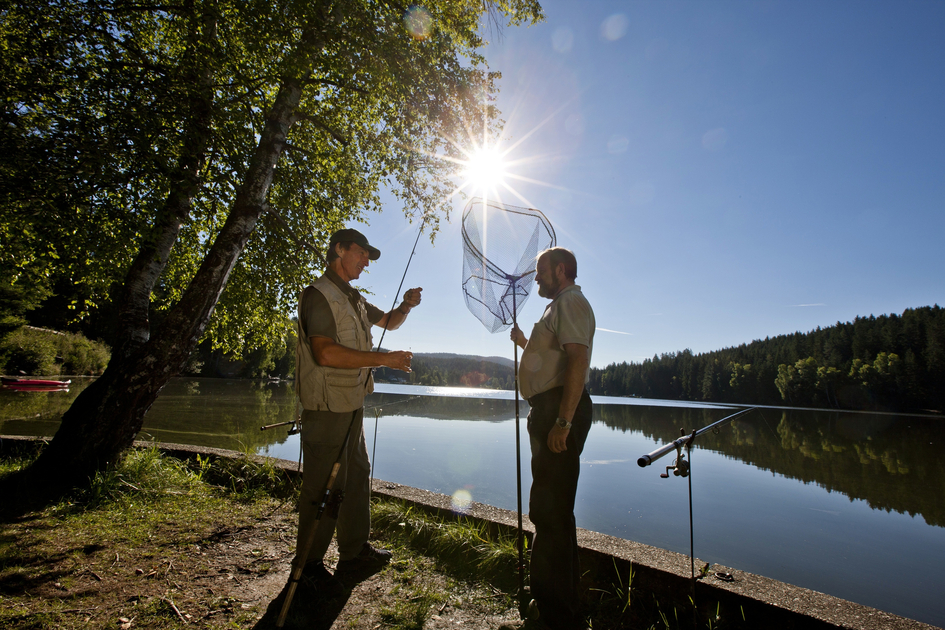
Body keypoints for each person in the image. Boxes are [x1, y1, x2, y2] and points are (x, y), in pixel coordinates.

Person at [292, 227, 421, 594]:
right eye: (362, 253)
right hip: (327, 408)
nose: (367, 261)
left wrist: (407, 306)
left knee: (357, 476)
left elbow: (389, 322)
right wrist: (384, 359)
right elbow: (325, 353)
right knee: (322, 487)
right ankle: (309, 566)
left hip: (351, 405)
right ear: (339, 250)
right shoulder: (318, 296)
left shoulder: (356, 299)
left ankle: (353, 551)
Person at [510, 247, 595, 630]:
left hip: (557, 414)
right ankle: (558, 605)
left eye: (541, 270)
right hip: (549, 411)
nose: (536, 277)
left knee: (551, 512)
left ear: (561, 270)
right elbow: (553, 359)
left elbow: (577, 360)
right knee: (551, 510)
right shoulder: (558, 305)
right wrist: (525, 341)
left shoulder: (572, 302)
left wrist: (563, 421)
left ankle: (555, 616)